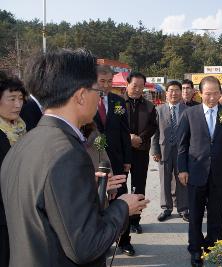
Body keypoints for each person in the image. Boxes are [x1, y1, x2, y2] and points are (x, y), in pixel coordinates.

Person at [0, 49, 149, 267]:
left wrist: (89, 186)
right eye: (97, 90)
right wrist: (123, 207)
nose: (100, 96)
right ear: (81, 95)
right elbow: (86, 245)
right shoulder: (68, 154)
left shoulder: (24, 143)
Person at [177, 76, 222, 267]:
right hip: (195, 172)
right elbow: (182, 145)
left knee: (216, 213)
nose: (212, 98)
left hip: (219, 173)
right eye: (208, 94)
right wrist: (182, 169)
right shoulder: (189, 114)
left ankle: (213, 246)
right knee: (195, 214)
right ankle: (195, 249)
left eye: (216, 93)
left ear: (221, 93)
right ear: (200, 93)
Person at [92, 65, 134, 255]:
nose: (106, 85)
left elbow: (125, 131)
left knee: (120, 199)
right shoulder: (86, 101)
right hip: (94, 160)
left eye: (109, 81)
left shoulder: (118, 102)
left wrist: (127, 158)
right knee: (97, 202)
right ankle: (100, 243)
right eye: (102, 81)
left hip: (116, 159)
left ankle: (124, 240)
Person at [124, 71, 157, 234]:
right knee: (120, 186)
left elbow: (153, 126)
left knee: (139, 186)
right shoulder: (118, 103)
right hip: (121, 152)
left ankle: (135, 220)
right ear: (127, 84)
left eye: (141, 86)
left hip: (141, 151)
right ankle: (121, 221)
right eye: (134, 85)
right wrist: (127, 137)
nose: (137, 89)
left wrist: (140, 139)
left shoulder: (150, 106)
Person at [151, 81, 189, 222]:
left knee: (182, 180)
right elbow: (155, 132)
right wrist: (155, 150)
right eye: (171, 90)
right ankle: (166, 208)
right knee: (164, 180)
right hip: (164, 150)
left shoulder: (188, 110)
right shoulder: (159, 110)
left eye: (177, 90)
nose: (174, 93)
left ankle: (183, 208)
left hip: (182, 152)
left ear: (181, 92)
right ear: (166, 93)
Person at [0, 72, 27, 267]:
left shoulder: (21, 128)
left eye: (20, 99)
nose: (18, 104)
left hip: (17, 212)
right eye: (11, 99)